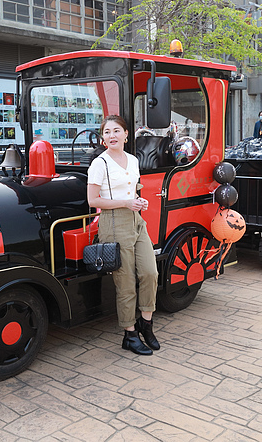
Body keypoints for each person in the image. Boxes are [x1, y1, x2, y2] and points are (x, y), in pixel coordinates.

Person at [87, 115, 160, 356]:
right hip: (114, 222)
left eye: (116, 131)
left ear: (126, 134)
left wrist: (138, 200)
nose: (112, 136)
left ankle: (145, 324)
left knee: (150, 272)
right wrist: (126, 203)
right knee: (126, 282)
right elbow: (93, 200)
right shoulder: (100, 163)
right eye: (107, 132)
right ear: (103, 137)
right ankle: (129, 334)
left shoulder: (132, 160)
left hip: (136, 221)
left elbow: (134, 188)